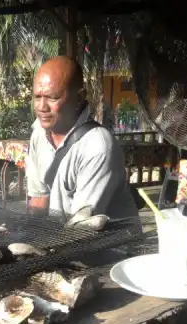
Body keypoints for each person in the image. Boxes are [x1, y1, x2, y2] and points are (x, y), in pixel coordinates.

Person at [26, 56, 138, 219]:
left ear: (79, 97)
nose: (42, 107)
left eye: (53, 97)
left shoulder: (98, 146)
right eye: (37, 97)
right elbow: (38, 200)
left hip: (104, 240)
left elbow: (81, 227)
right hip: (63, 235)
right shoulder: (38, 134)